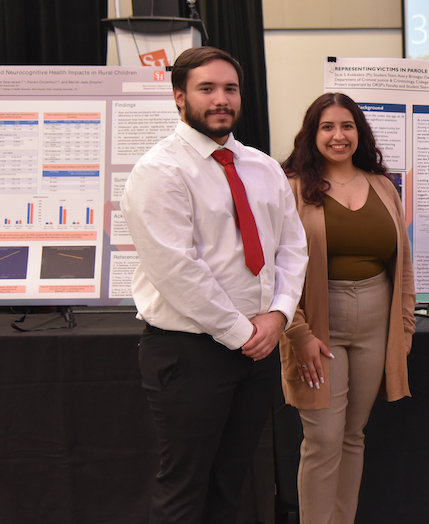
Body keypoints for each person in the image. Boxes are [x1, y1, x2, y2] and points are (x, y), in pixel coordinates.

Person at [120, 46, 308, 523]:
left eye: (230, 88)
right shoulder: (159, 170)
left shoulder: (262, 167)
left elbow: (292, 247)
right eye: (207, 88)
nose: (221, 99)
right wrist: (243, 332)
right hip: (190, 353)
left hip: (258, 349)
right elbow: (176, 269)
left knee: (230, 485)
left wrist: (279, 315)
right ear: (179, 96)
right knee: (183, 490)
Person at [279, 92, 415, 524]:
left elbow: (403, 264)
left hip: (377, 320)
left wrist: (405, 328)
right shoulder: (292, 186)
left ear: (359, 132)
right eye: (327, 127)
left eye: (347, 126)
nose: (338, 136)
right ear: (312, 134)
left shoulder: (382, 186)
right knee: (323, 439)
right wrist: (297, 332)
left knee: (354, 435)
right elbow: (274, 269)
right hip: (319, 324)